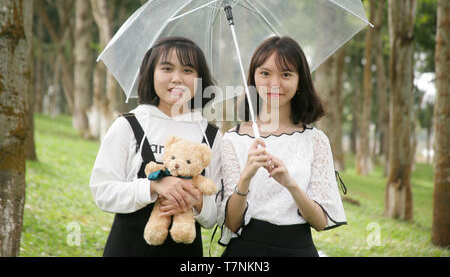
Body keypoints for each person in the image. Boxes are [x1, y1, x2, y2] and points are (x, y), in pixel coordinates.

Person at [90, 37, 223, 257]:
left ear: (199, 79)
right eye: (167, 68)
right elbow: (102, 192)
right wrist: (153, 187)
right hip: (127, 249)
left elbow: (216, 215)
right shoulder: (128, 125)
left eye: (188, 70)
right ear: (151, 74)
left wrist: (195, 200)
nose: (177, 78)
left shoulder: (211, 136)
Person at [217, 36, 347, 257]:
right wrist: (246, 177)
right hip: (245, 252)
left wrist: (290, 184)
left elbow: (320, 222)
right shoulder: (232, 139)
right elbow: (231, 223)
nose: (274, 83)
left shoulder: (315, 140)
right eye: (265, 73)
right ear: (254, 78)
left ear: (300, 81)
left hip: (297, 250)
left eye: (286, 74)